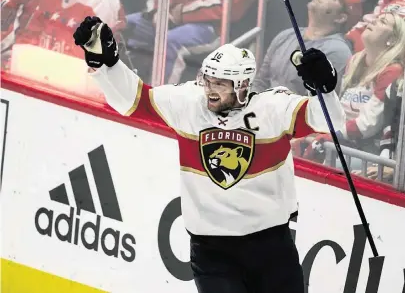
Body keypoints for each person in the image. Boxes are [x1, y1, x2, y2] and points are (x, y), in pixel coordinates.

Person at [73, 16, 345, 293]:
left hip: (271, 246)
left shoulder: (273, 108)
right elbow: (133, 101)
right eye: (208, 80)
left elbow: (329, 120)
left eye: (220, 84)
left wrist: (325, 87)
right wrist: (105, 63)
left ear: (241, 86)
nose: (210, 90)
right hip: (212, 250)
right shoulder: (188, 103)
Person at [295, 12, 405, 168]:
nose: (374, 21)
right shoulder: (355, 61)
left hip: (366, 151)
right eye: (377, 18)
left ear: (392, 39)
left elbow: (368, 124)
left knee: (331, 165)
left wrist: (331, 135)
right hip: (340, 140)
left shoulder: (392, 71)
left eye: (383, 22)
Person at [123, 0, 259, 85]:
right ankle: (123, 89)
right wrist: (158, 10)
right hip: (170, 15)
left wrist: (181, 13)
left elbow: (231, 5)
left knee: (171, 41)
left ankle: (160, 102)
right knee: (126, 24)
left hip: (211, 25)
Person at [252, 0, 361, 96]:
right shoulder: (285, 35)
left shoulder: (337, 52)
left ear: (341, 18)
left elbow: (318, 104)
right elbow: (260, 82)